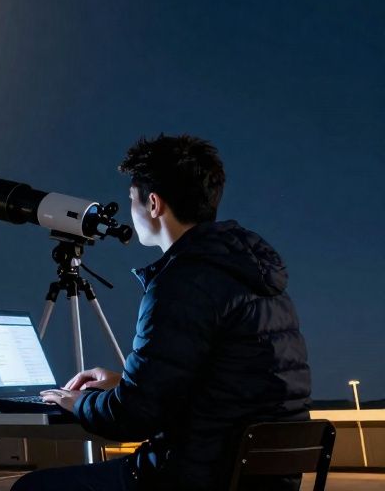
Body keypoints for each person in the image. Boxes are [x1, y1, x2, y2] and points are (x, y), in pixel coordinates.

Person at [16, 135, 312, 490]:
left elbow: (133, 418)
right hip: (264, 480)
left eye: (132, 200)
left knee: (30, 487)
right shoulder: (256, 278)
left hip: (194, 477)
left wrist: (80, 402)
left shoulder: (182, 283)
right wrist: (125, 384)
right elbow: (221, 387)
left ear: (153, 203)